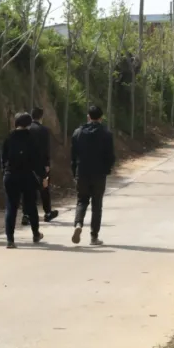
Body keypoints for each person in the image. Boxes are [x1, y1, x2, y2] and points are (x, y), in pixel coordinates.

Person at [70, 105, 116, 246]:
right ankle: (94, 236)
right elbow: (110, 156)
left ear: (88, 117)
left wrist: (74, 172)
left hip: (82, 172)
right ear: (101, 118)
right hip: (99, 174)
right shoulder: (106, 134)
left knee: (82, 200)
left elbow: (73, 156)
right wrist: (107, 169)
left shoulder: (78, 133)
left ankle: (78, 224)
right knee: (97, 204)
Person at [2, 112, 44, 249]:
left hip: (10, 175)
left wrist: (5, 171)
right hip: (27, 176)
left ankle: (10, 239)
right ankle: (35, 234)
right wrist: (43, 176)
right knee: (31, 206)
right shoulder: (32, 138)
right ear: (29, 124)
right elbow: (37, 160)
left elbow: (3, 158)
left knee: (11, 207)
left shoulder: (9, 137)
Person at [22, 107, 59, 226]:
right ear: (41, 117)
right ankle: (47, 212)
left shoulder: (26, 129)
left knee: (27, 189)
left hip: (26, 164)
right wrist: (47, 164)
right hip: (40, 163)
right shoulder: (43, 130)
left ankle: (26, 215)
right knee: (44, 187)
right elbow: (46, 149)